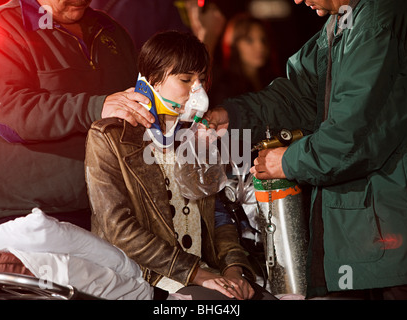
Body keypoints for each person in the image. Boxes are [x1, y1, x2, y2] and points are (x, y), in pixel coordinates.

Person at [203, 0, 407, 299]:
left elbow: (353, 134)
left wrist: (288, 161)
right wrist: (235, 115)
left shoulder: (379, 18)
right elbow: (298, 95)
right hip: (369, 235)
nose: (296, 0)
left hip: (397, 232)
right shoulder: (343, 22)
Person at [85, 30, 274, 300]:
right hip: (143, 278)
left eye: (201, 80)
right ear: (152, 81)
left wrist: (234, 271)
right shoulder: (109, 136)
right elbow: (119, 229)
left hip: (203, 276)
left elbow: (219, 217)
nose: (197, 91)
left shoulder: (197, 137)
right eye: (185, 80)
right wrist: (198, 274)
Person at [0, 0, 154, 230]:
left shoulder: (110, 30)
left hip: (113, 206)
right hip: (30, 215)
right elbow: (8, 115)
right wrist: (96, 108)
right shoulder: (1, 26)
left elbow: (139, 104)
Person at [209, 13, 281, 106]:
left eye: (263, 39)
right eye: (249, 40)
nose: (260, 47)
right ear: (234, 45)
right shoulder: (225, 86)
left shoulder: (275, 80)